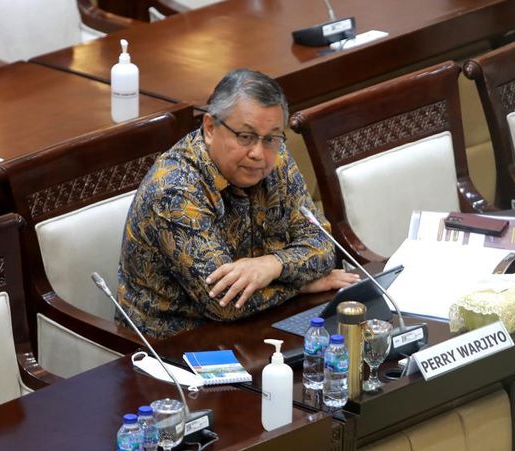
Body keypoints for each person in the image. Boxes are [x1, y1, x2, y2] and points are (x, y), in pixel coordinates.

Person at [118, 69, 358, 338]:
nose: (258, 153)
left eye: (271, 138)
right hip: (171, 343)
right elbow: (225, 303)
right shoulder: (175, 189)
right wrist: (301, 285)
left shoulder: (276, 157)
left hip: (258, 324)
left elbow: (324, 245)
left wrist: (273, 265)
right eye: (245, 136)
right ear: (210, 128)